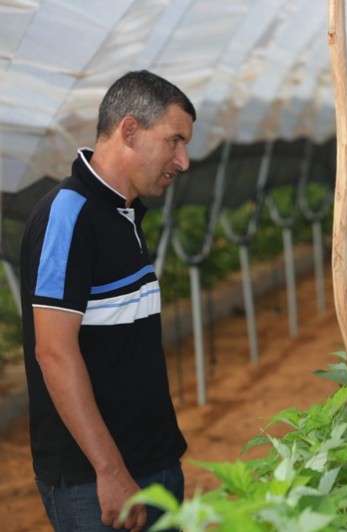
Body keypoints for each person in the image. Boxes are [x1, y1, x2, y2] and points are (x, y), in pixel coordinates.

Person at [20, 70, 195, 531]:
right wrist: (110, 470)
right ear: (130, 131)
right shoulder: (68, 215)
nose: (183, 160)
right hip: (95, 481)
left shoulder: (124, 213)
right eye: (175, 140)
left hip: (153, 463)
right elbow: (53, 352)